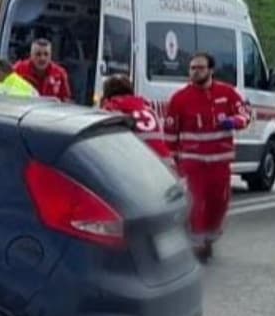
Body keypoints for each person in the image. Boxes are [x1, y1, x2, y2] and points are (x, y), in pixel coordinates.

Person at [165, 52, 250, 262]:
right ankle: (197, 243)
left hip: (220, 161)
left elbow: (246, 114)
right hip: (193, 161)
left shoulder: (227, 93)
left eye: (200, 68)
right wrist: (173, 161)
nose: (195, 72)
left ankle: (209, 238)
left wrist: (235, 121)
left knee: (218, 202)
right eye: (192, 68)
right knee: (196, 202)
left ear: (211, 70)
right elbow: (170, 134)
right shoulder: (179, 99)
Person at [100, 75, 174, 166]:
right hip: (166, 166)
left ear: (107, 95)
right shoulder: (149, 109)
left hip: (140, 167)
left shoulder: (112, 111)